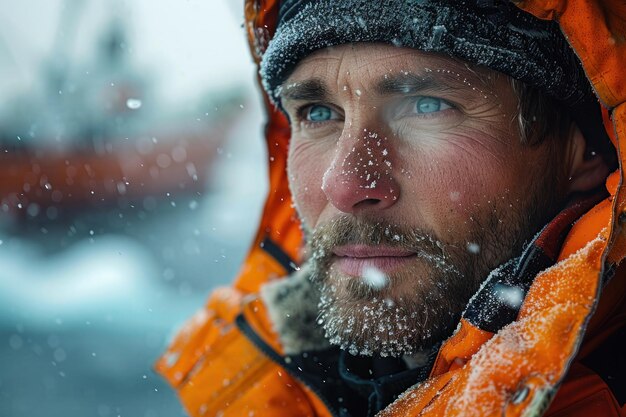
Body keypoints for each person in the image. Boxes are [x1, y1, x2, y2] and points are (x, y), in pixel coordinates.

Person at [156, 1, 626, 416]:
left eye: (426, 105)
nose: (345, 184)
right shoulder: (265, 383)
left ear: (582, 147)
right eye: (318, 113)